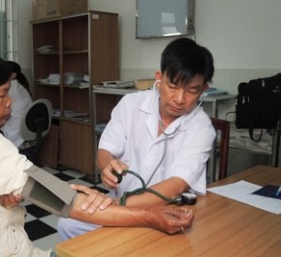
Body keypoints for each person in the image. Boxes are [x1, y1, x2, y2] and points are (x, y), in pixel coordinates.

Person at [0, 46, 194, 257]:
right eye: (2, 95)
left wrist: (53, 189)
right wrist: (150, 216)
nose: (9, 103)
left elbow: (32, 186)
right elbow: (64, 202)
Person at [58, 37, 216, 241]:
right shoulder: (131, 104)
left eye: (191, 90)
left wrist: (114, 206)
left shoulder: (202, 127)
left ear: (203, 89)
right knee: (67, 224)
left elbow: (177, 184)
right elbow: (104, 152)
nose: (179, 99)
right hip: (122, 204)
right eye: (173, 86)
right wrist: (107, 167)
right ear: (159, 78)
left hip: (165, 211)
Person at [0, 61, 33, 150]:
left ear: (13, 75)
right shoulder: (19, 86)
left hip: (16, 131)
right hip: (25, 129)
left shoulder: (11, 88)